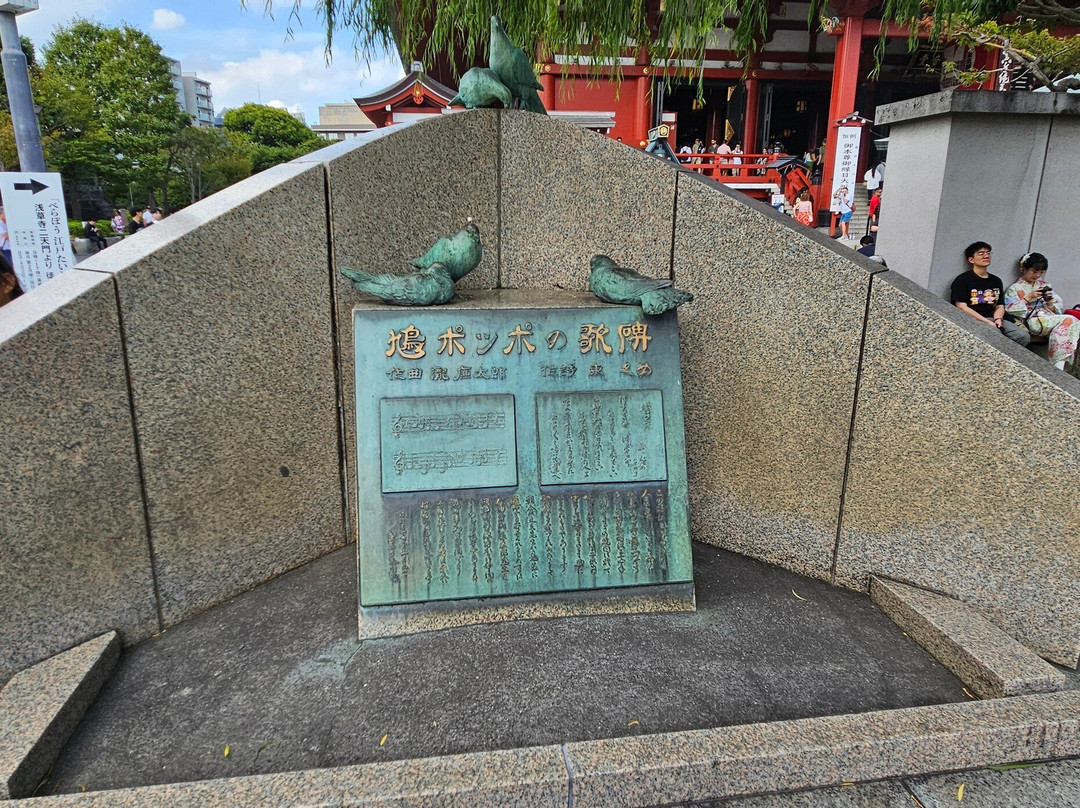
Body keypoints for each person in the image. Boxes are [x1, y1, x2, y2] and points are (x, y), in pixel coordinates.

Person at [1004, 252, 1080, 370]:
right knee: (1071, 320)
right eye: (1035, 271)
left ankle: (1059, 365)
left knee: (1063, 329)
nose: (1038, 275)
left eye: (1041, 272)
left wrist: (1049, 301)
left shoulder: (1045, 285)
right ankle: (1059, 364)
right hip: (1033, 321)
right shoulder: (1015, 288)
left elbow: (1056, 306)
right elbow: (1010, 308)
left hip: (1048, 318)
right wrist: (1028, 297)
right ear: (1024, 269)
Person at [950, 242, 1030, 348]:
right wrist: (986, 322)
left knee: (1022, 336)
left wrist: (998, 319)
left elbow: (1000, 305)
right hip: (972, 319)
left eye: (988, 253)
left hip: (994, 319)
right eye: (981, 253)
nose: (986, 256)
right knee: (994, 334)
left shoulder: (996, 281)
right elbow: (961, 306)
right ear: (971, 259)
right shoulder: (963, 280)